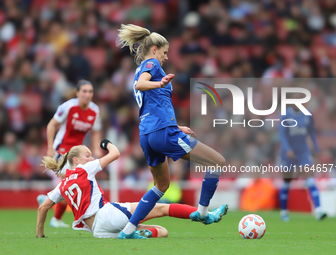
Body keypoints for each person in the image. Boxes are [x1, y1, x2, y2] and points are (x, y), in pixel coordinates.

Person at [116, 24, 228, 239]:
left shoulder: (139, 69)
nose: (166, 57)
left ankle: (127, 231)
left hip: (147, 135)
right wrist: (160, 83)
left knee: (161, 186)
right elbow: (142, 85)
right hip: (162, 133)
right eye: (165, 52)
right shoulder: (152, 64)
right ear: (155, 49)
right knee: (217, 162)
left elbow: (150, 104)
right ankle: (203, 213)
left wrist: (176, 126)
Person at [37, 140, 227, 239]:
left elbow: (43, 207)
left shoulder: (61, 185)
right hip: (107, 215)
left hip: (97, 230)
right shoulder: (84, 169)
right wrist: (106, 143)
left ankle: (132, 233)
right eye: (88, 155)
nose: (92, 157)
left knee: (162, 231)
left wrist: (40, 234)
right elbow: (116, 154)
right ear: (76, 161)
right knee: (162, 208)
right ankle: (206, 214)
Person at [37, 79, 102, 228]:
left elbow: (96, 131)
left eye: (90, 91)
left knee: (71, 185)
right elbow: (51, 125)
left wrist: (97, 149)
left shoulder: (95, 110)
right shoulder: (68, 107)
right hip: (62, 149)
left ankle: (48, 202)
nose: (87, 94)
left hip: (77, 153)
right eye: (84, 91)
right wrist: (50, 148)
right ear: (77, 93)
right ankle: (55, 216)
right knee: (72, 183)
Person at [278, 105, 327, 221]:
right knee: (286, 183)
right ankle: (284, 212)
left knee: (310, 180)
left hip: (303, 152)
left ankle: (318, 211)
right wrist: (287, 149)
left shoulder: (308, 114)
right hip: (287, 153)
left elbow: (312, 132)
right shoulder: (285, 115)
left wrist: (316, 148)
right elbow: (282, 134)